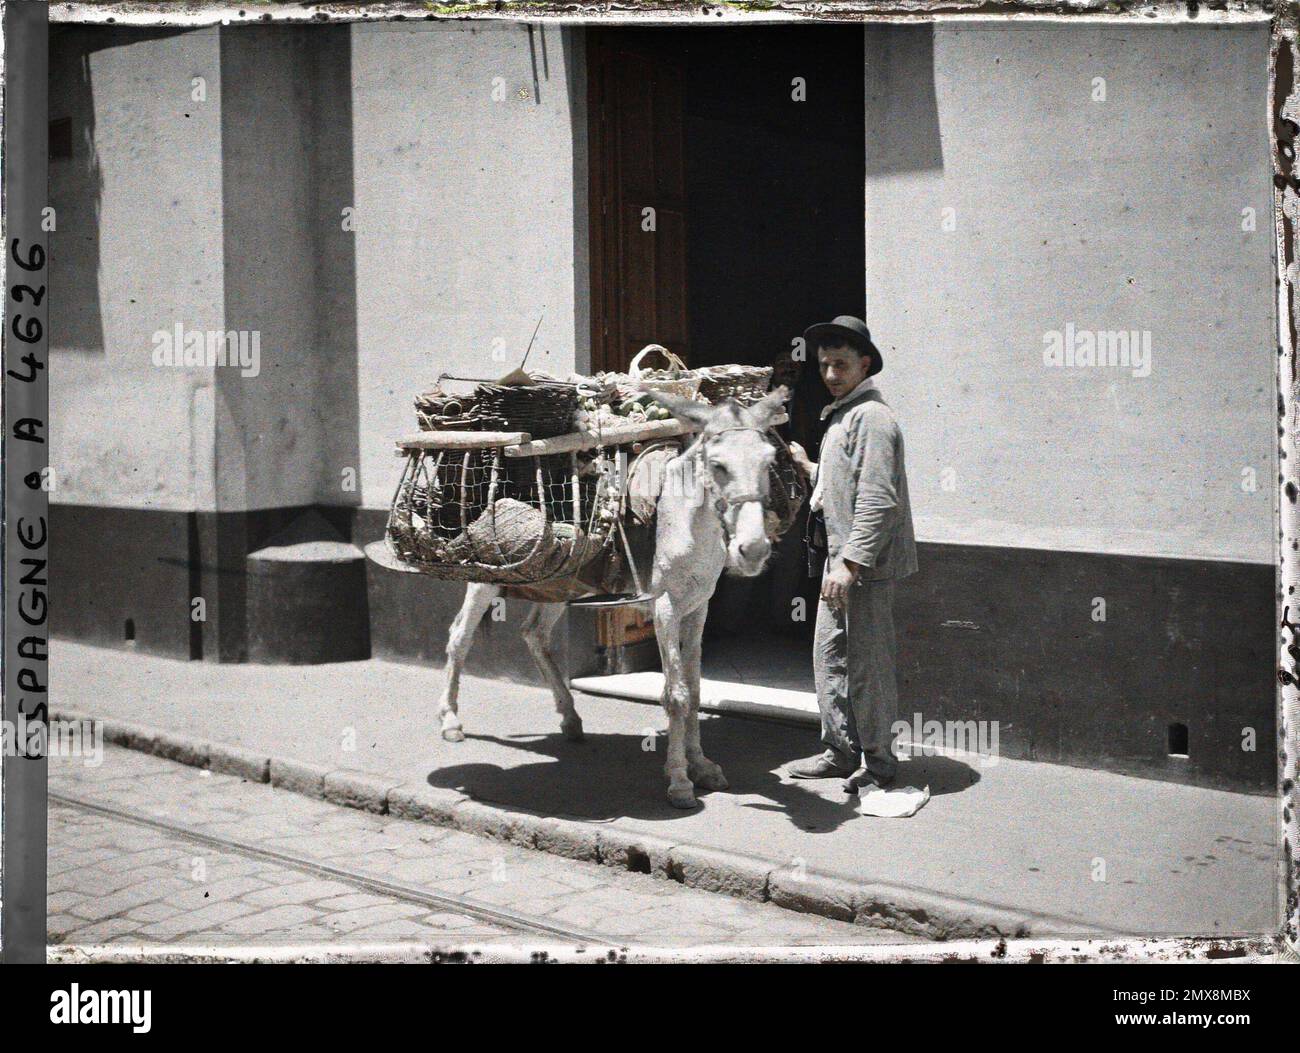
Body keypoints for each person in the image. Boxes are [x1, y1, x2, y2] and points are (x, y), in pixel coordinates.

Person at [785, 316, 918, 792]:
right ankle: (840, 751)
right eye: (824, 365)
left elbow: (879, 498)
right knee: (830, 658)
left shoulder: (873, 418)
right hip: (838, 562)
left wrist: (850, 564)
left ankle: (879, 762)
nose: (831, 374)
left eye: (841, 364)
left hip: (863, 567)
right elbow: (846, 479)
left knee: (868, 666)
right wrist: (811, 468)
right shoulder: (844, 413)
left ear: (864, 364)